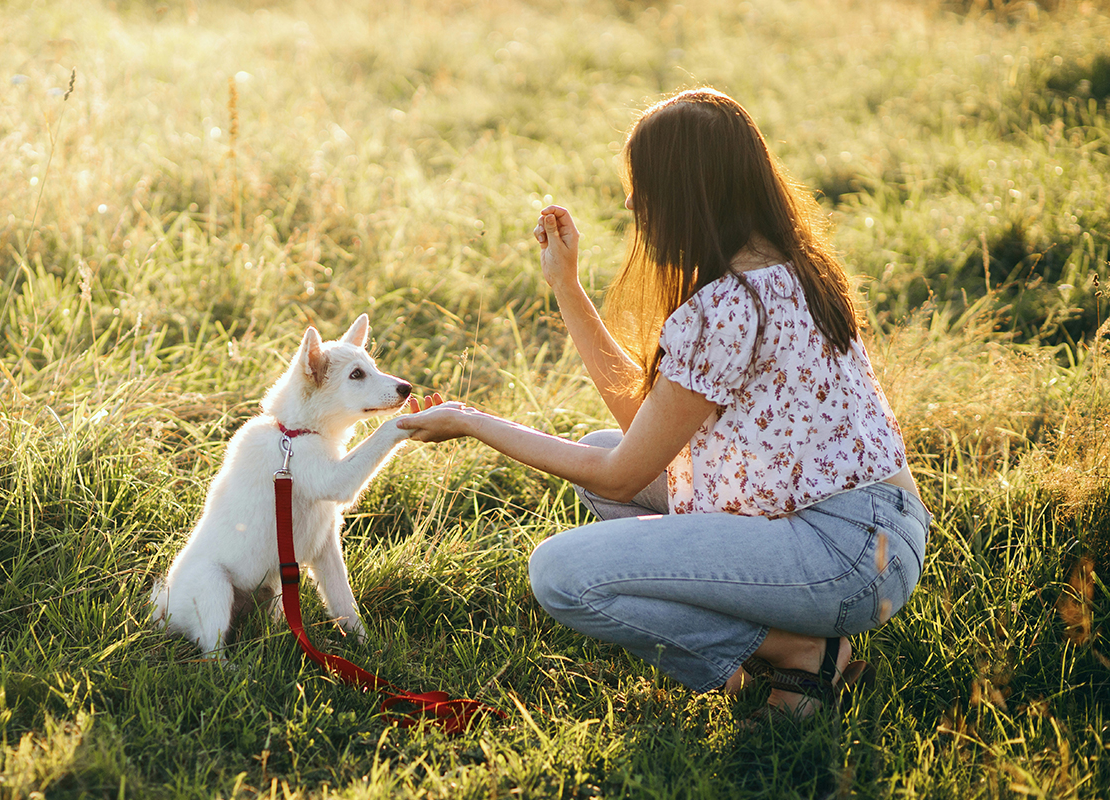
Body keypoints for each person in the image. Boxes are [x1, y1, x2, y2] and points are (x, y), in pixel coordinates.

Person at [396, 88, 931, 720]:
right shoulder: (789, 269)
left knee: (560, 575)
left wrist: (469, 420)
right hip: (875, 533)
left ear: (685, 191)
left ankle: (799, 651)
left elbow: (623, 475)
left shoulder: (729, 306)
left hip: (843, 557)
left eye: (641, 185)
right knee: (598, 447)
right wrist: (566, 287)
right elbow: (640, 435)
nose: (630, 202)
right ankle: (796, 646)